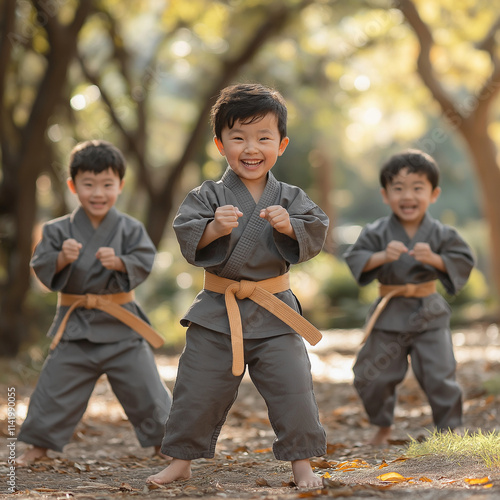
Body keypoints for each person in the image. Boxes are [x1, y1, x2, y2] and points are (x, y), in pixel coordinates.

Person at [147, 83, 329, 489]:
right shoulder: (207, 195)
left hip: (274, 309)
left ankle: (303, 465)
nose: (251, 148)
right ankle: (180, 461)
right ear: (220, 144)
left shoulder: (291, 196)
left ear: (281, 145)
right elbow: (186, 234)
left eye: (263, 137)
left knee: (293, 389)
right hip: (217, 309)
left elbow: (316, 230)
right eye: (238, 137)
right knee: (196, 389)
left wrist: (291, 225)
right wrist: (213, 228)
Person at [17, 139, 172, 465]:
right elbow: (41, 268)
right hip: (76, 326)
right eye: (88, 184)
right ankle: (38, 447)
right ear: (74, 186)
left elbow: (144, 260)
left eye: (106, 184)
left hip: (121, 324)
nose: (98, 193)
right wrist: (61, 258)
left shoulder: (130, 228)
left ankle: (165, 443)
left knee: (146, 387)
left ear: (120, 185)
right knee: (55, 387)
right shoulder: (57, 230)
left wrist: (120, 263)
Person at [343, 149, 474, 445]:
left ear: (434, 193)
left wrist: (437, 260)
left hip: (429, 313)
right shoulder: (377, 232)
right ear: (385, 194)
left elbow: (462, 259)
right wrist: (380, 257)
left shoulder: (441, 233)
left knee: (440, 375)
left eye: (417, 188)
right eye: (398, 188)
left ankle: (450, 429)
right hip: (389, 313)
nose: (408, 196)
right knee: (371, 375)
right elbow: (356, 258)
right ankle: (382, 425)